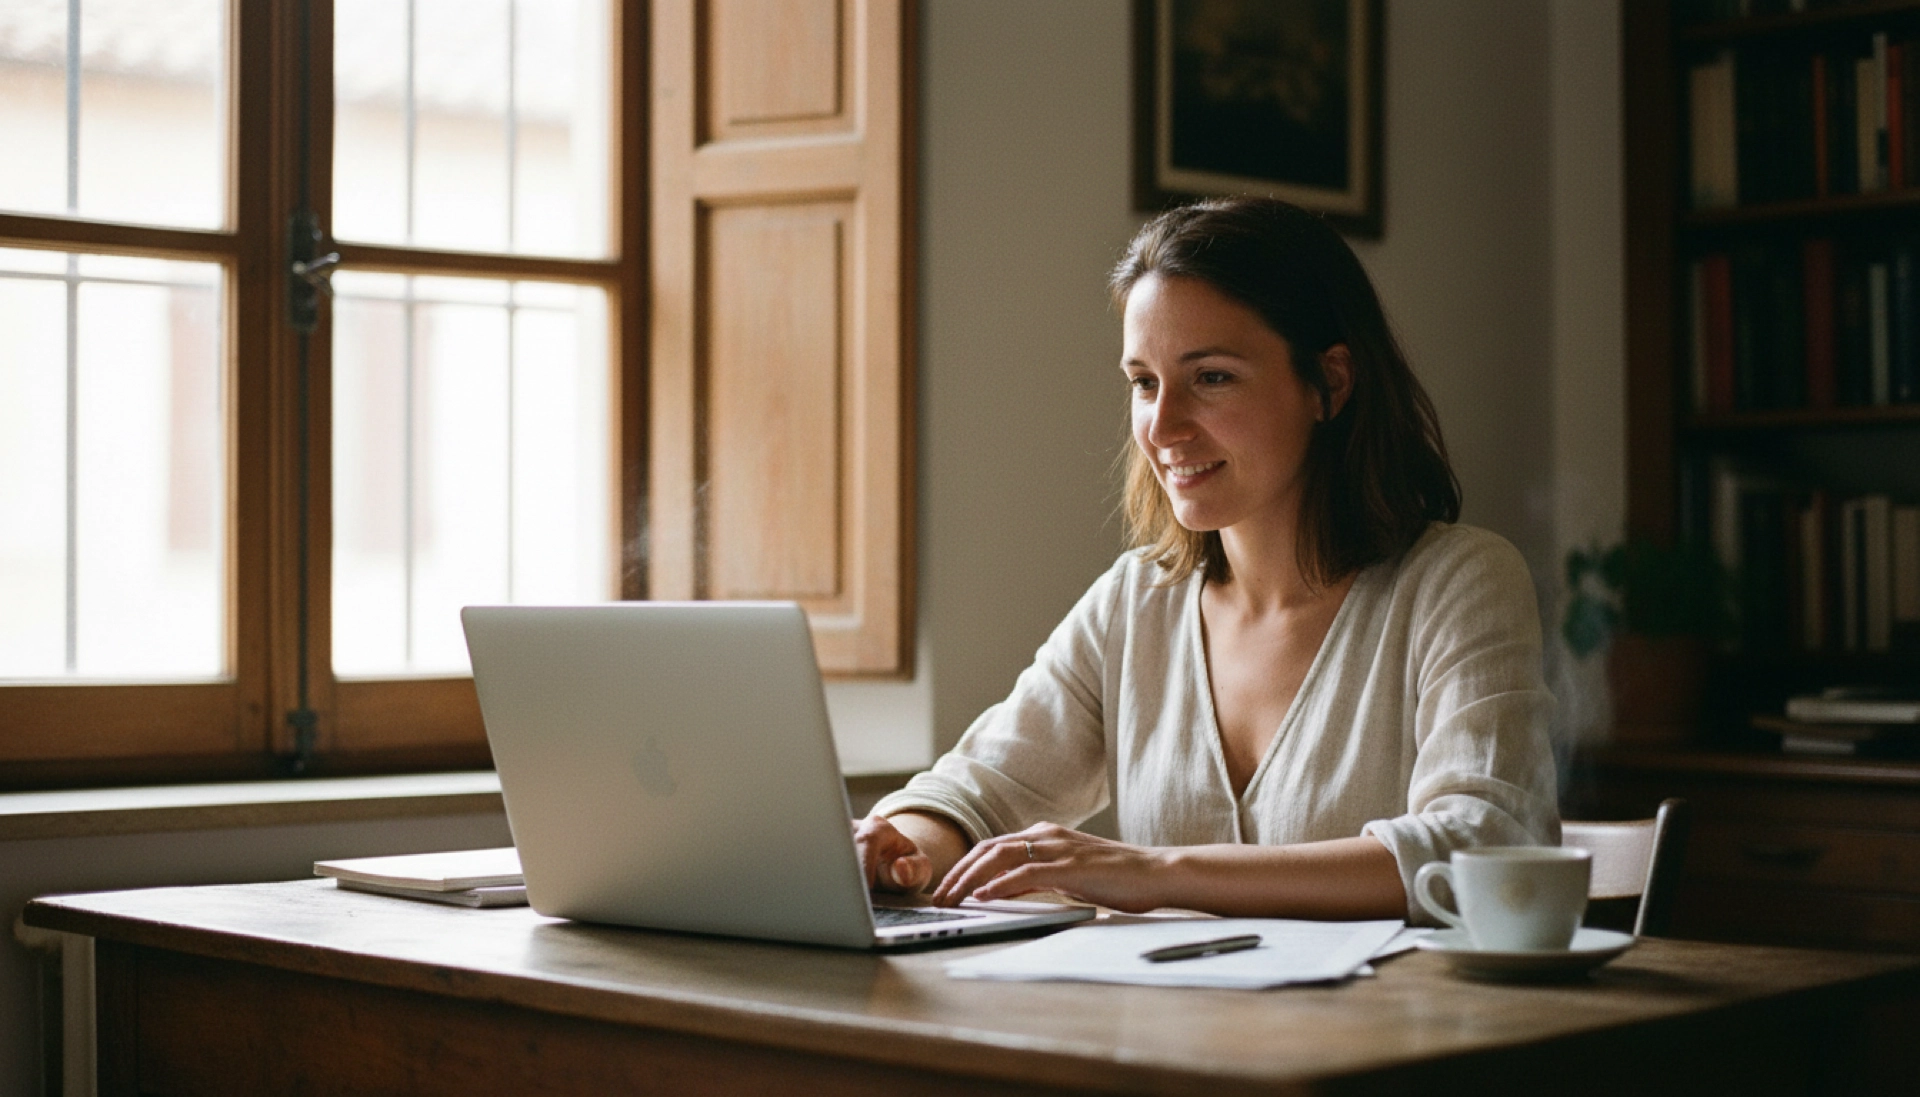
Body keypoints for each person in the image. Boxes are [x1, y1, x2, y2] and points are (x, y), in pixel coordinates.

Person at [855, 196, 1557, 921]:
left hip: (1391, 1032)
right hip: (1168, 1033)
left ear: (1331, 383)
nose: (1162, 427)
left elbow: (1480, 844)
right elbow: (978, 792)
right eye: (1144, 382)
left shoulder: (1460, 582)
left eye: (1212, 377)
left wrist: (1158, 872)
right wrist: (895, 845)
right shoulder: (1135, 602)